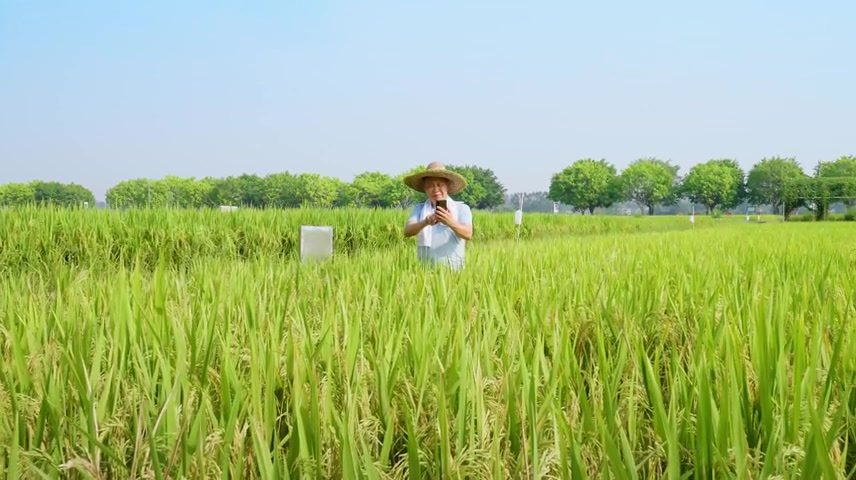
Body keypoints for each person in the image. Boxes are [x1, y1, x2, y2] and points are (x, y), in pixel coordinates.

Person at [403, 162, 473, 270]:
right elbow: (407, 232)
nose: (435, 189)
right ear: (425, 190)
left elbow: (468, 234)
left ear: (447, 187)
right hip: (425, 272)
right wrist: (425, 222)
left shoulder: (462, 208)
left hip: (454, 272)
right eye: (430, 186)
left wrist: (450, 221)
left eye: (439, 185)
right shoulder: (420, 209)